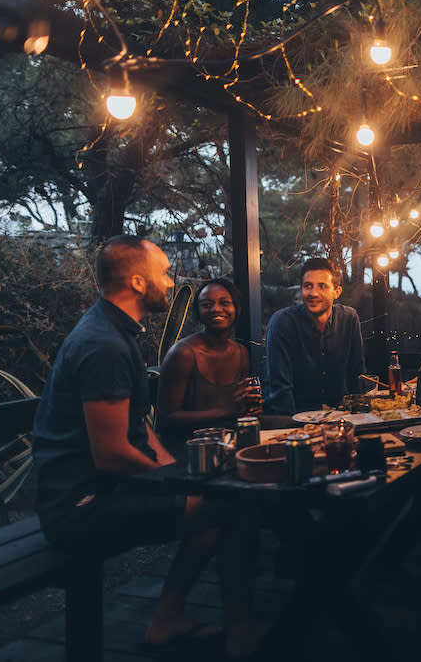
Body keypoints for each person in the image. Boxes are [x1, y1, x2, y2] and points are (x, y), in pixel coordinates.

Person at [31, 235, 265, 658]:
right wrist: (177, 485)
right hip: (80, 506)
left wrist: (180, 471)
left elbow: (139, 424)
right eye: (164, 273)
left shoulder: (114, 332)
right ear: (138, 282)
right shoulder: (103, 344)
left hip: (99, 491)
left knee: (218, 501)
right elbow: (112, 454)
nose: (172, 282)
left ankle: (169, 617)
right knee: (233, 507)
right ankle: (241, 629)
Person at [156, 278, 261, 447]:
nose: (216, 309)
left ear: (237, 308)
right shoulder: (183, 353)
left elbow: (237, 410)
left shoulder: (241, 353)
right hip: (189, 451)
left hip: (228, 444)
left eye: (225, 303)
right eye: (206, 304)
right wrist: (227, 412)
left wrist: (249, 410)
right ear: (198, 312)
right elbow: (166, 419)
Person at [265, 258, 366, 414]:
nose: (313, 293)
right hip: (294, 419)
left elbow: (357, 375)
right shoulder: (282, 322)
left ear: (336, 292)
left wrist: (361, 419)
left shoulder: (349, 318)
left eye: (322, 286)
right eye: (307, 286)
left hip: (338, 417)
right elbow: (281, 390)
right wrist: (296, 431)